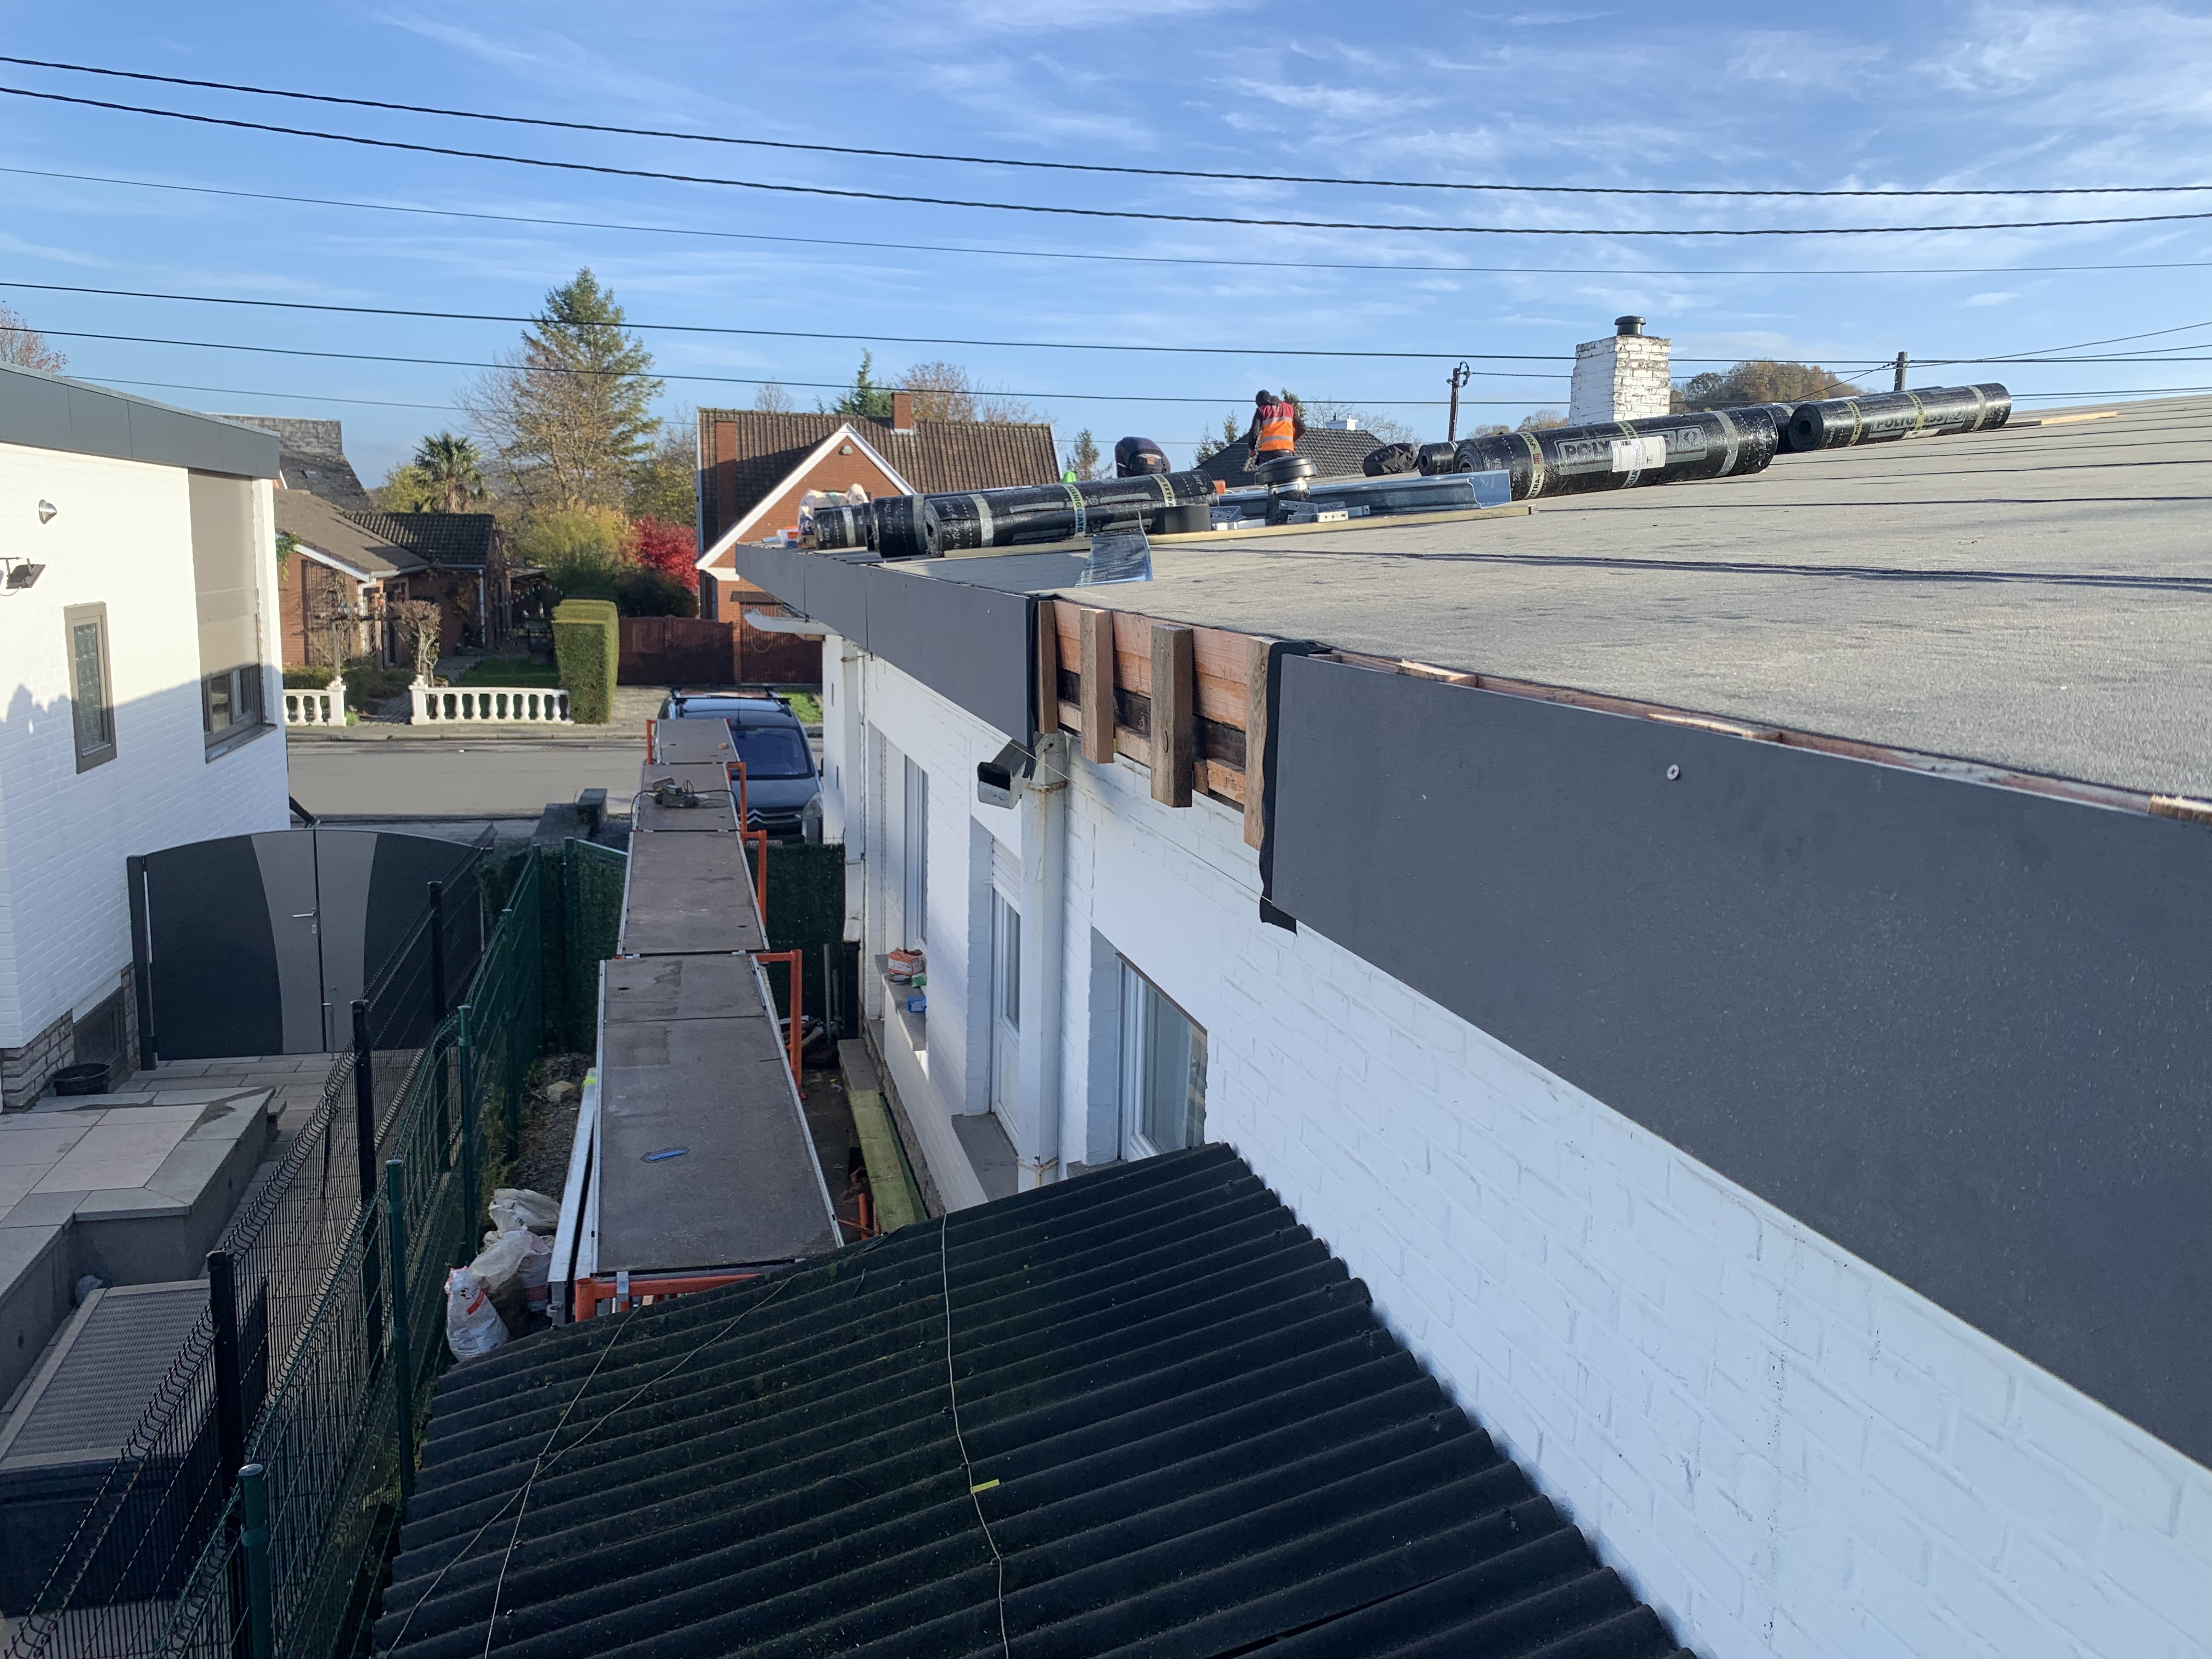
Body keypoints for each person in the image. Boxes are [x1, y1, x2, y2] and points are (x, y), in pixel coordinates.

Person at [1241, 390, 1305, 467]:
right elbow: (1303, 428)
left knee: (1265, 473)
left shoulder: (1261, 410)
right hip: (1286, 452)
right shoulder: (1289, 408)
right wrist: (1291, 440)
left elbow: (1255, 431)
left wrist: (1252, 449)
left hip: (1267, 453)